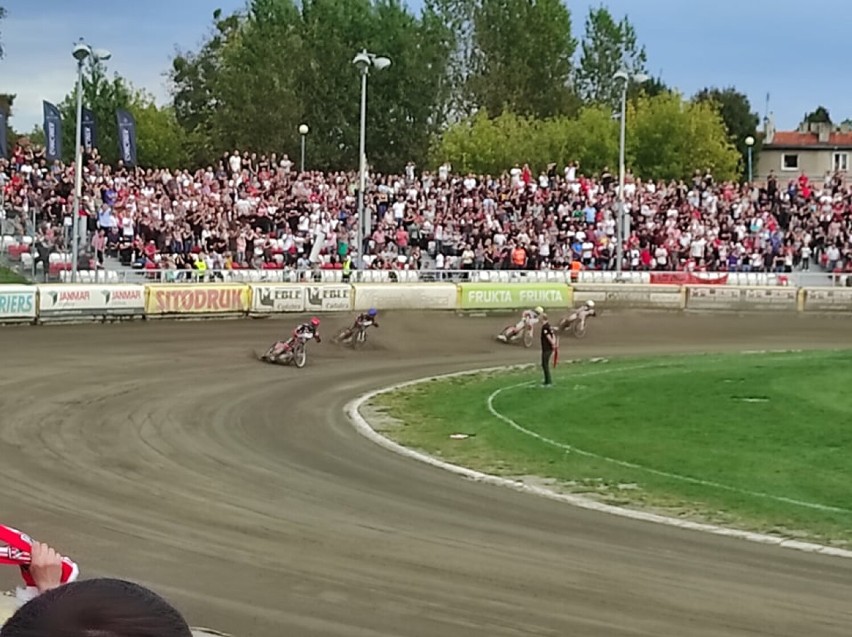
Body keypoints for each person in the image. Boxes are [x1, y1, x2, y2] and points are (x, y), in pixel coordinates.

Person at [540, 313, 556, 387]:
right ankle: (547, 379)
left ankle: (548, 381)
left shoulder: (545, 327)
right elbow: (553, 335)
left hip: (547, 349)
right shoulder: (549, 326)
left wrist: (552, 343)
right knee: (544, 364)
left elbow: (548, 337)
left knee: (544, 364)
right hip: (549, 348)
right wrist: (554, 343)